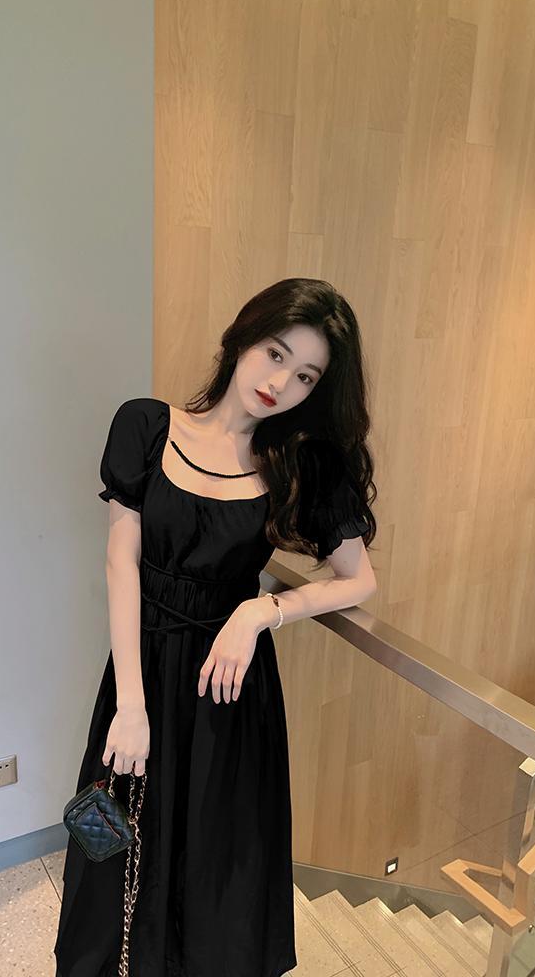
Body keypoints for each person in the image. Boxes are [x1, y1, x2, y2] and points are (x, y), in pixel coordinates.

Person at [55, 276, 378, 977]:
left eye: (305, 375)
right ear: (243, 338)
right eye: (275, 353)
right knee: (114, 846)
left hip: (229, 694)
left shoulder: (297, 466)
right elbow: (121, 563)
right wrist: (131, 706)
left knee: (215, 866)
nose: (280, 383)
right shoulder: (146, 427)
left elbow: (360, 580)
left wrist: (263, 610)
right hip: (141, 677)